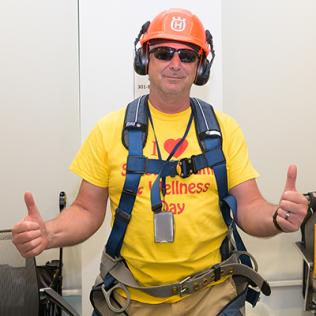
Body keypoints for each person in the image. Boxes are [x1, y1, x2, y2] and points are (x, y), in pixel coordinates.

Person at [12, 8, 308, 316]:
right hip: (131, 299)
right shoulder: (109, 131)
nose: (175, 64)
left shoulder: (223, 131)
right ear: (145, 60)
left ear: (200, 68)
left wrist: (277, 216)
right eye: (164, 53)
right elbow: (86, 210)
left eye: (187, 56)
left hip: (213, 298)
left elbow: (249, 207)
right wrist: (48, 234)